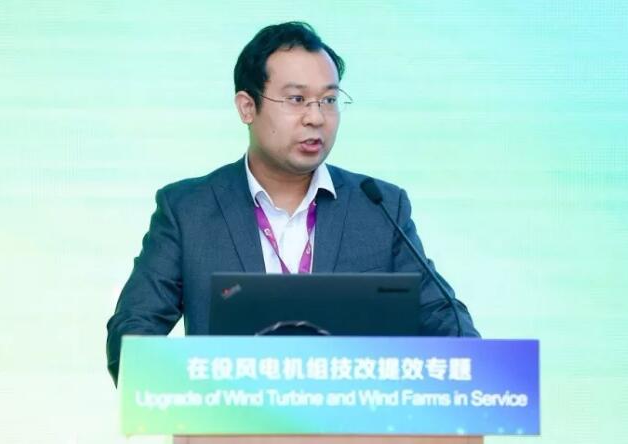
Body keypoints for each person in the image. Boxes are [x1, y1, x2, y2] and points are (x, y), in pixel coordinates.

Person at [106, 21, 479, 385]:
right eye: (297, 99)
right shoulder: (189, 210)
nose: (316, 118)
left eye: (329, 100)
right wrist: (194, 390)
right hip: (229, 418)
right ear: (247, 107)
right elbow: (133, 330)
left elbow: (444, 319)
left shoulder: (379, 207)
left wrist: (475, 372)